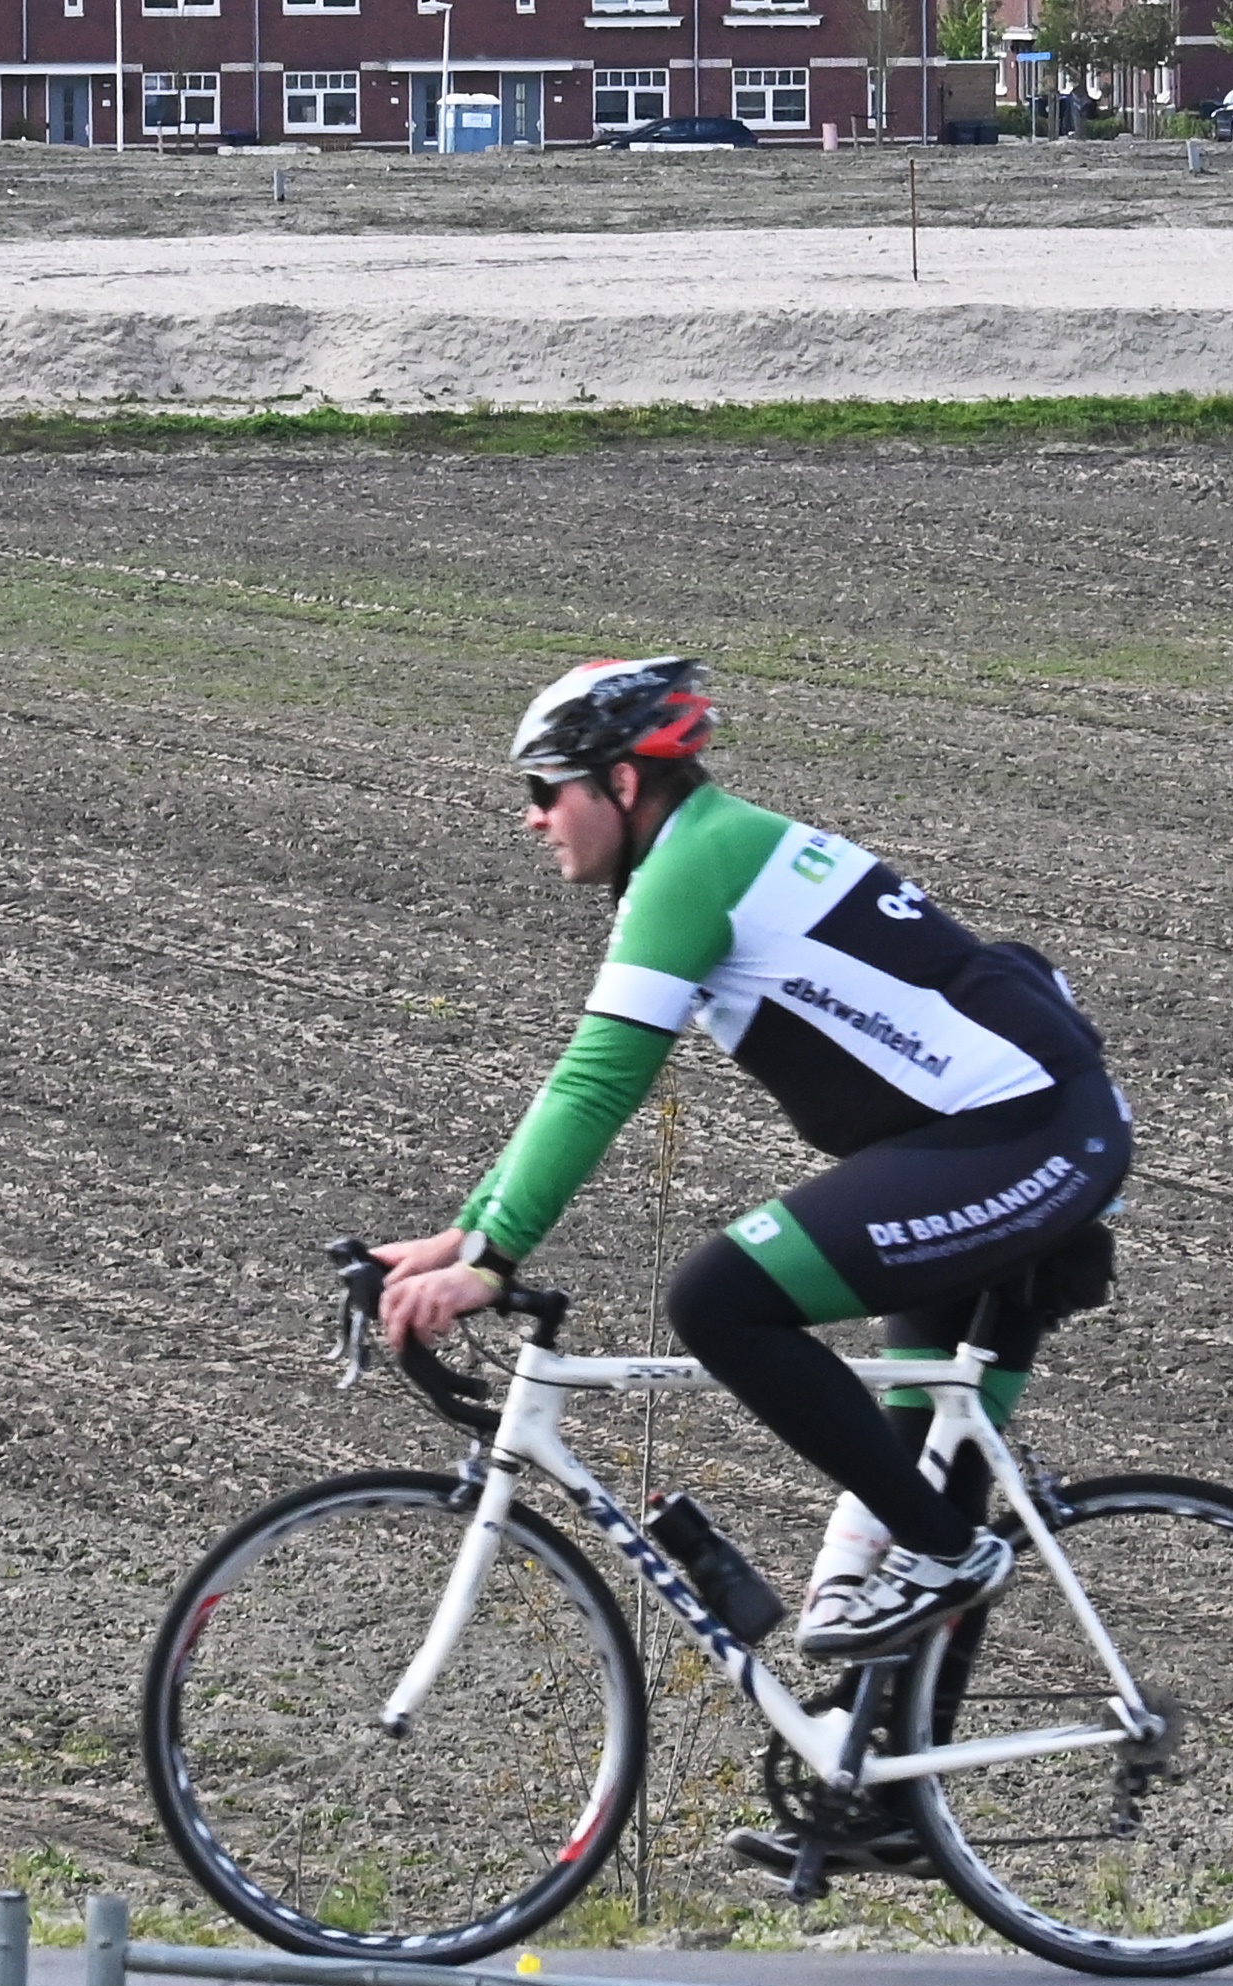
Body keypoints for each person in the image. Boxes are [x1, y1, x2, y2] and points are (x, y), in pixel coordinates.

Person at [369, 659, 1131, 1677]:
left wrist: (495, 1256)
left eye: (545, 788)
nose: (533, 817)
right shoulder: (707, 849)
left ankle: (951, 1555)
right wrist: (469, 1235)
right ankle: (898, 1812)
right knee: (910, 1481)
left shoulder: (696, 864)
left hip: (1025, 1133)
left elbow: (598, 1080)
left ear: (623, 784)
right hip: (991, 1135)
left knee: (721, 1299)